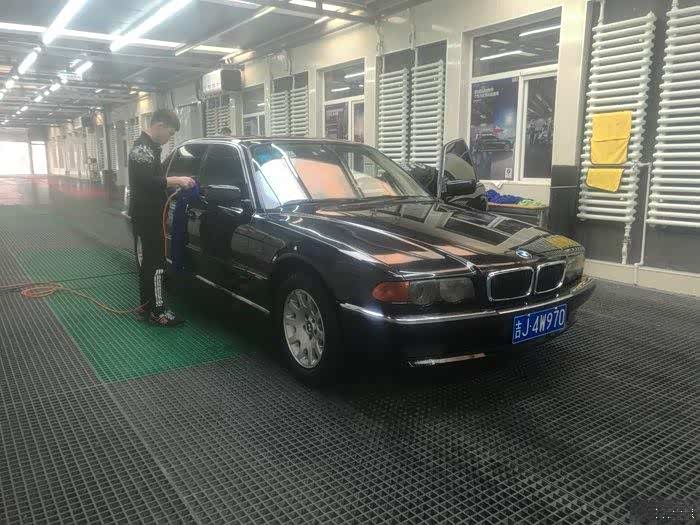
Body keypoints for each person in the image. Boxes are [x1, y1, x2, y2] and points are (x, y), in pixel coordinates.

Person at [128, 109, 195, 327]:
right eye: (170, 133)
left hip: (145, 213)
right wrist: (177, 180)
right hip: (147, 215)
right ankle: (157, 311)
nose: (169, 138)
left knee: (148, 262)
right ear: (160, 126)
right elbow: (148, 181)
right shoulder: (143, 149)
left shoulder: (149, 148)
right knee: (156, 263)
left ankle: (146, 306)